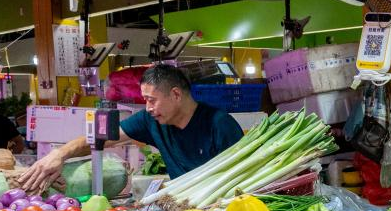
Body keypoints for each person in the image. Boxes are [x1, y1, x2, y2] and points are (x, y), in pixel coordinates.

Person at [17, 64, 244, 192]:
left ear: (176, 94)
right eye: (145, 100)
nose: (147, 107)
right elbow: (99, 138)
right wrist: (59, 154)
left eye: (151, 100)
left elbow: (241, 181)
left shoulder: (219, 125)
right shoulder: (151, 120)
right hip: (183, 208)